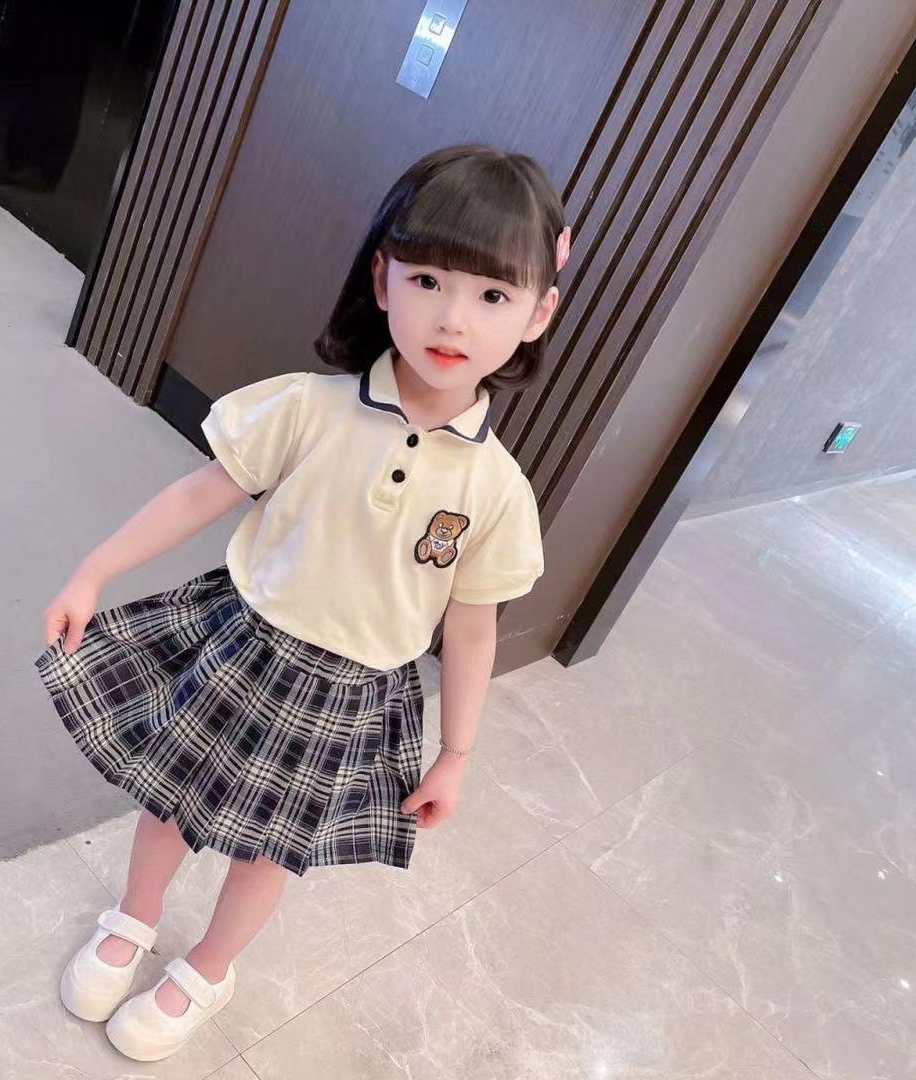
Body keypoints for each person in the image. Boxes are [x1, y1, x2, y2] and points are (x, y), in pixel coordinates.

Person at [33, 142, 571, 1062]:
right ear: (383, 278)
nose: (453, 317)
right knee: (172, 798)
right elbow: (198, 495)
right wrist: (94, 571)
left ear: (538, 312)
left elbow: (472, 628)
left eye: (493, 295)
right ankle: (135, 914)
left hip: (349, 694)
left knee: (268, 848)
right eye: (429, 280)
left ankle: (209, 967)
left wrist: (456, 754)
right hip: (244, 645)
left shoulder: (497, 491)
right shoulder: (308, 407)